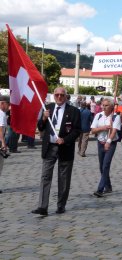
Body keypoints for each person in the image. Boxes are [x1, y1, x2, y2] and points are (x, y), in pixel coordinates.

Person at [31, 87, 81, 216]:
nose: (59, 97)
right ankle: (42, 206)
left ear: (66, 96)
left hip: (65, 147)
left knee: (63, 178)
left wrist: (65, 140)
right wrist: (43, 118)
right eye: (57, 95)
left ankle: (61, 205)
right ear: (53, 96)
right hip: (50, 147)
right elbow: (41, 127)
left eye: (62, 95)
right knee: (45, 176)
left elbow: (77, 130)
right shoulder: (48, 108)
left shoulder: (74, 111)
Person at [91, 98, 121, 197]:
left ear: (112, 106)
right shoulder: (98, 115)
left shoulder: (115, 117)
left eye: (106, 105)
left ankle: (100, 189)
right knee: (101, 166)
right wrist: (103, 128)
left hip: (111, 143)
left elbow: (114, 131)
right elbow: (93, 130)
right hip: (100, 142)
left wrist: (108, 141)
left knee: (106, 165)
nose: (104, 107)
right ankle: (108, 186)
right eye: (103, 105)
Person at [0, 96, 10, 194]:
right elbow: (1, 129)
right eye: (8, 103)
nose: (9, 106)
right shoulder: (1, 114)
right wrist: (3, 144)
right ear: (3, 103)